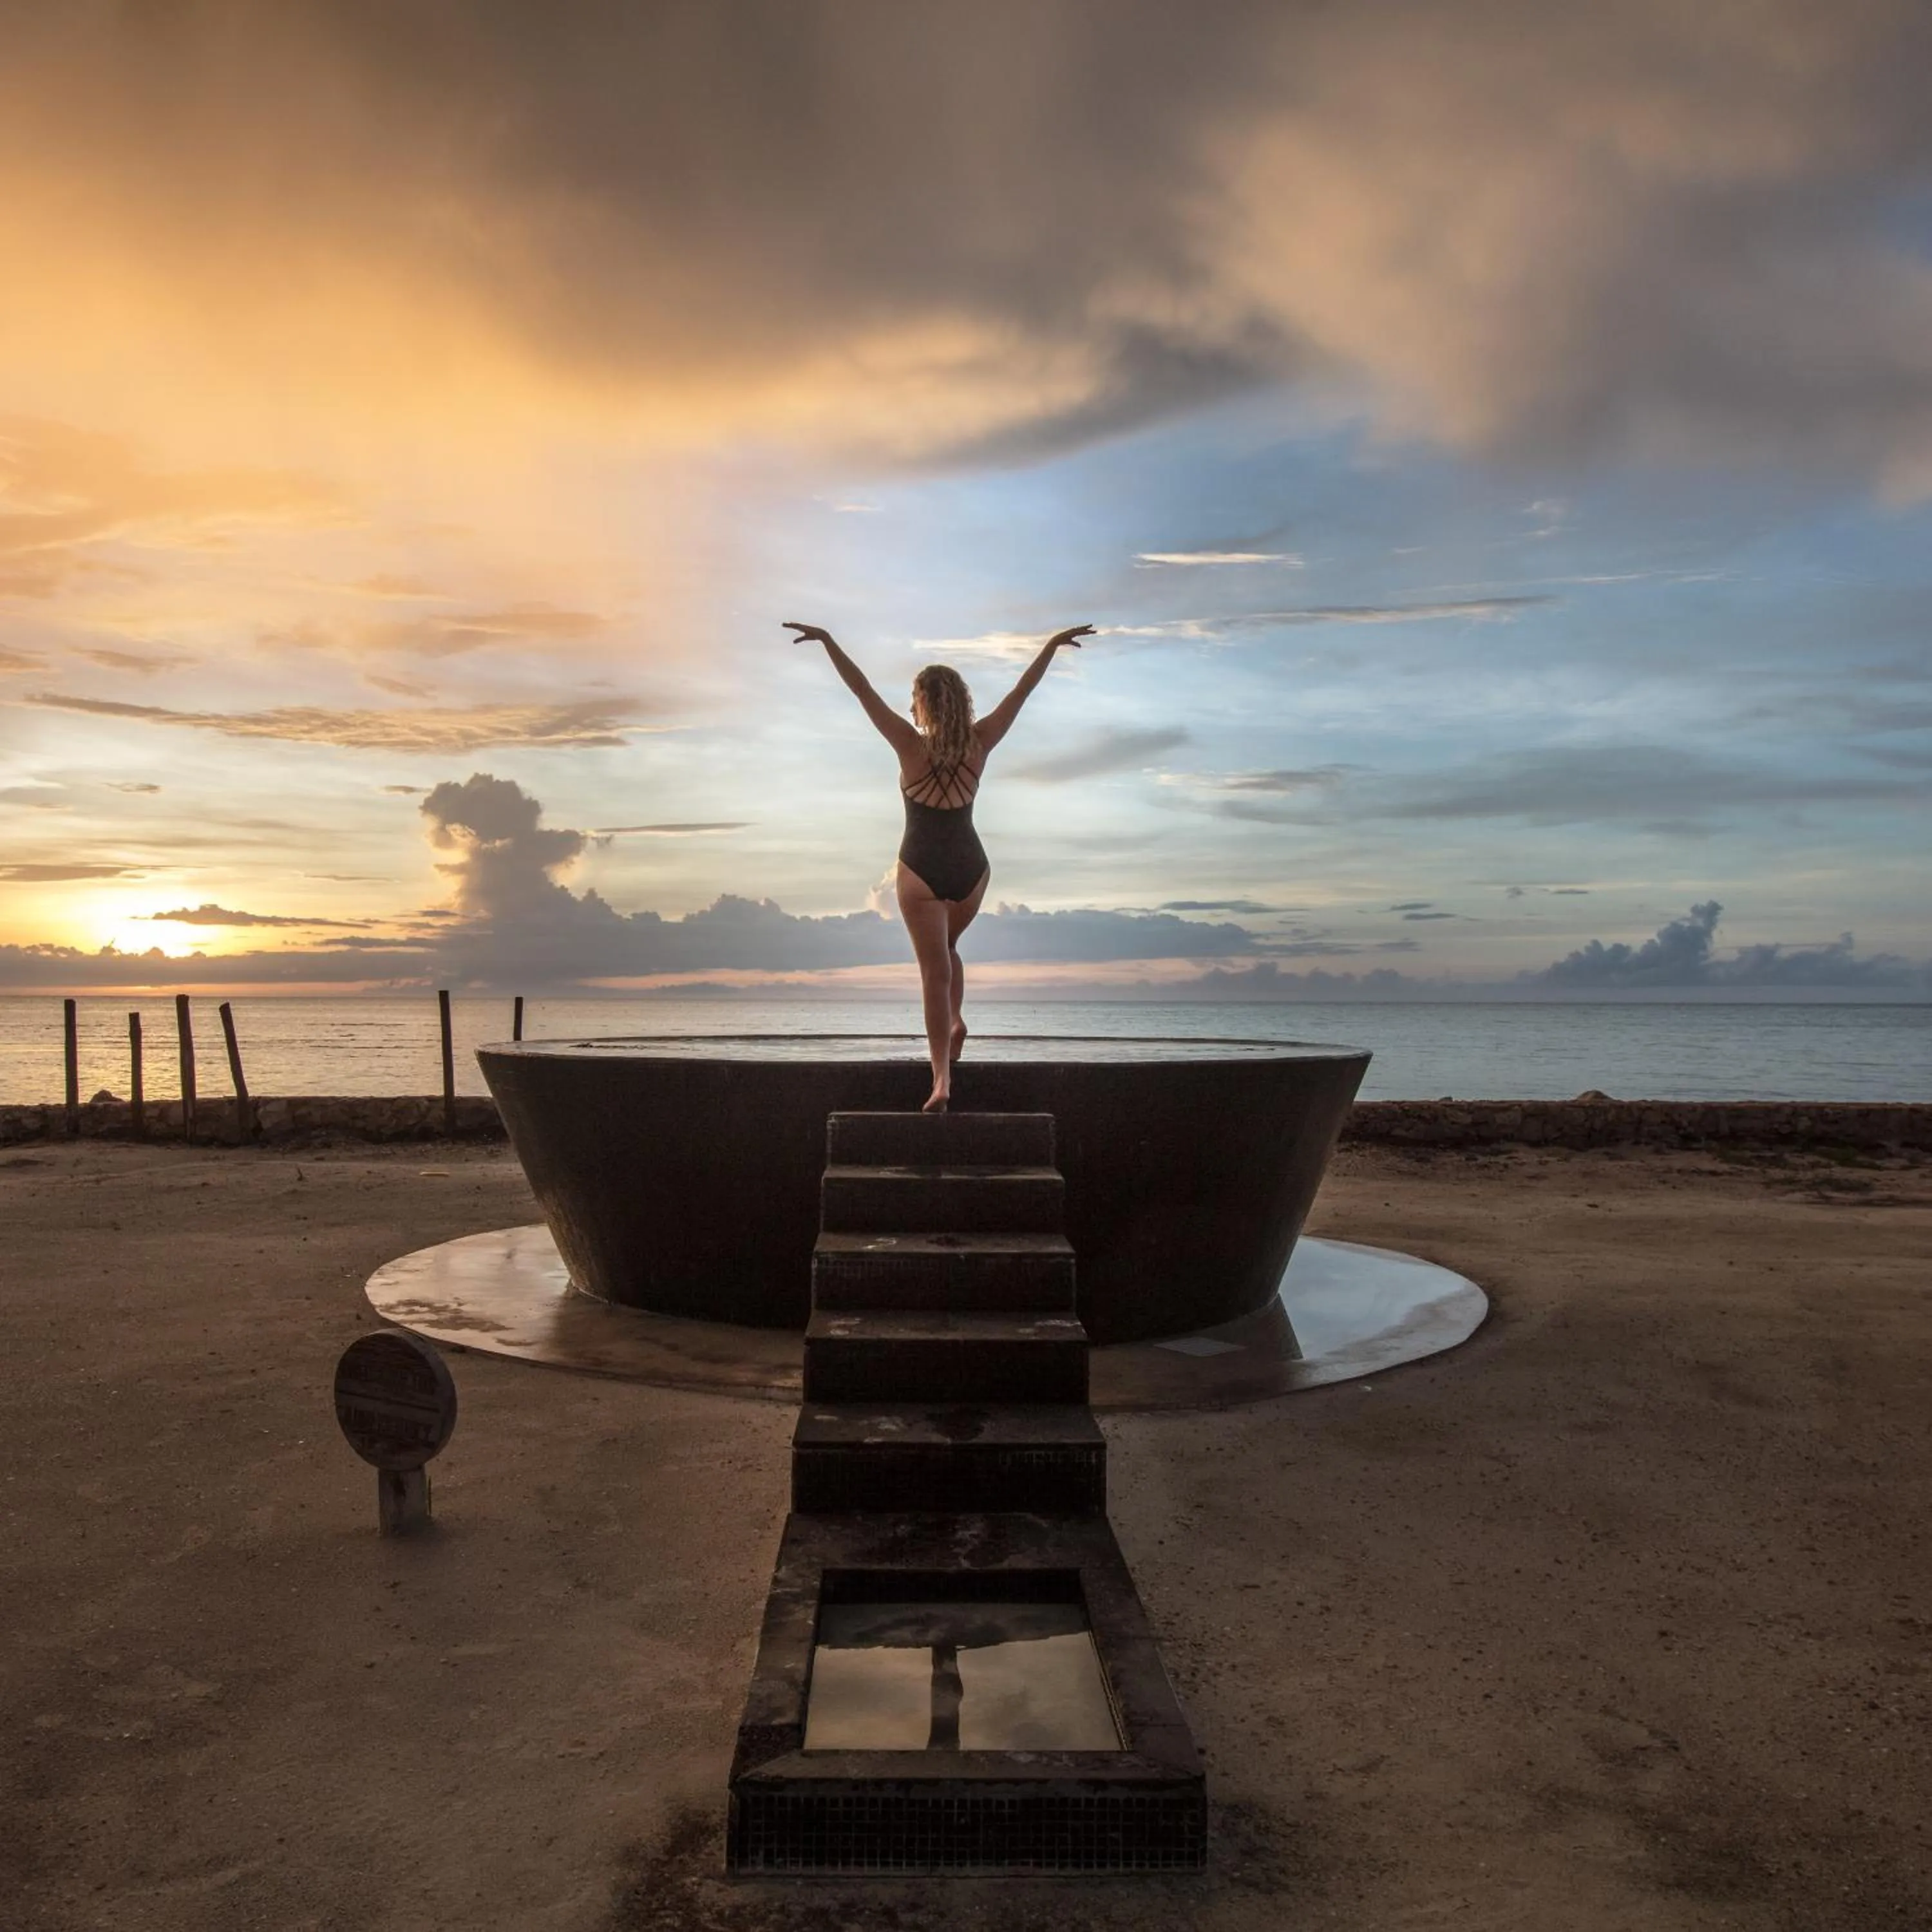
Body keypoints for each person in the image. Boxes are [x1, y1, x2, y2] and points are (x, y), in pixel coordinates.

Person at [784, 620, 1094, 1113]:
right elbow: (1023, 690)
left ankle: (942, 1082)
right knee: (947, 948)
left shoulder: (910, 745)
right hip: (972, 870)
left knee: (933, 972)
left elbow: (861, 690)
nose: (909, 708)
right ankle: (956, 1020)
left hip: (921, 869)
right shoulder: (982, 740)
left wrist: (828, 643)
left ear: (928, 702)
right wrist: (1051, 648)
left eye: (914, 699)